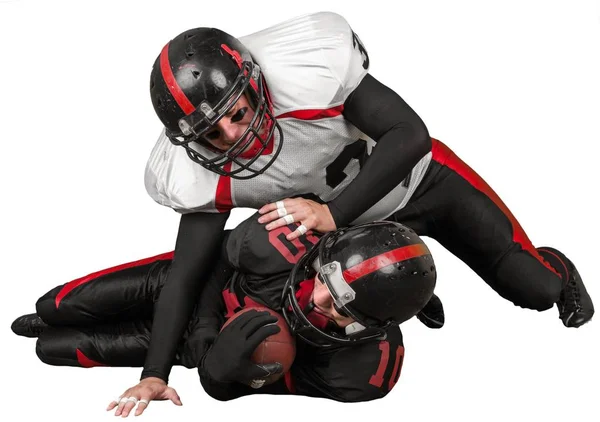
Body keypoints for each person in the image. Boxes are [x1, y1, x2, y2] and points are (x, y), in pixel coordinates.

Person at [15, 10, 593, 415]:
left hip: (421, 183)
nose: (234, 138)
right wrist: (156, 373)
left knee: (534, 290)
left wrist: (335, 213)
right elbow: (187, 275)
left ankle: (556, 268)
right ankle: (410, 294)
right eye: (213, 134)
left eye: (237, 114)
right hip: (344, 240)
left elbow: (410, 135)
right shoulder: (199, 174)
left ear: (257, 83)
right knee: (326, 288)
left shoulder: (309, 75)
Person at [12, 214, 437, 415]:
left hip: (197, 348)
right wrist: (204, 322)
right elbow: (216, 253)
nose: (319, 301)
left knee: (55, 350)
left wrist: (220, 370)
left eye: (343, 307)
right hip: (189, 286)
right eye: (328, 280)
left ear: (372, 326)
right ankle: (47, 318)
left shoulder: (362, 370)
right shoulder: (286, 239)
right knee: (56, 305)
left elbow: (242, 389)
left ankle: (47, 332)